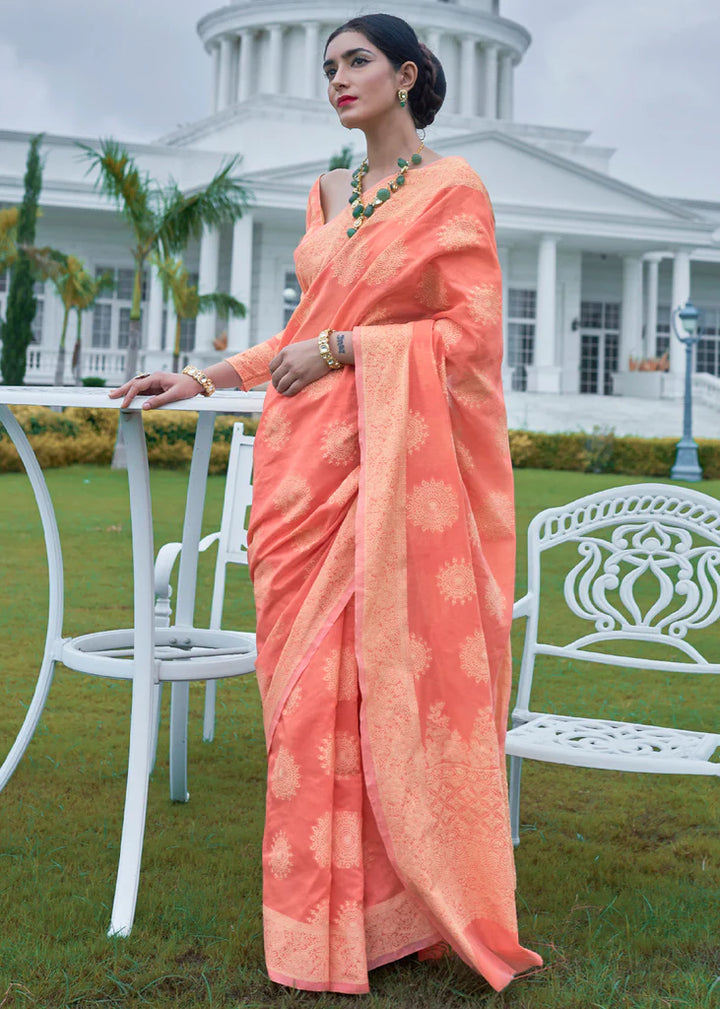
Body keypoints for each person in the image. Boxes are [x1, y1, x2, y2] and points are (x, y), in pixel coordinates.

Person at [111, 12, 542, 994]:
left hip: (394, 476)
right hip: (301, 469)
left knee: (375, 687)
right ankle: (322, 916)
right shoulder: (325, 190)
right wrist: (205, 374)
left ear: (408, 73)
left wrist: (352, 350)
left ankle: (383, 919)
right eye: (328, 66)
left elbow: (467, 343)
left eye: (356, 62)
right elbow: (303, 332)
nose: (337, 78)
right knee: (302, 699)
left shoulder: (452, 191)